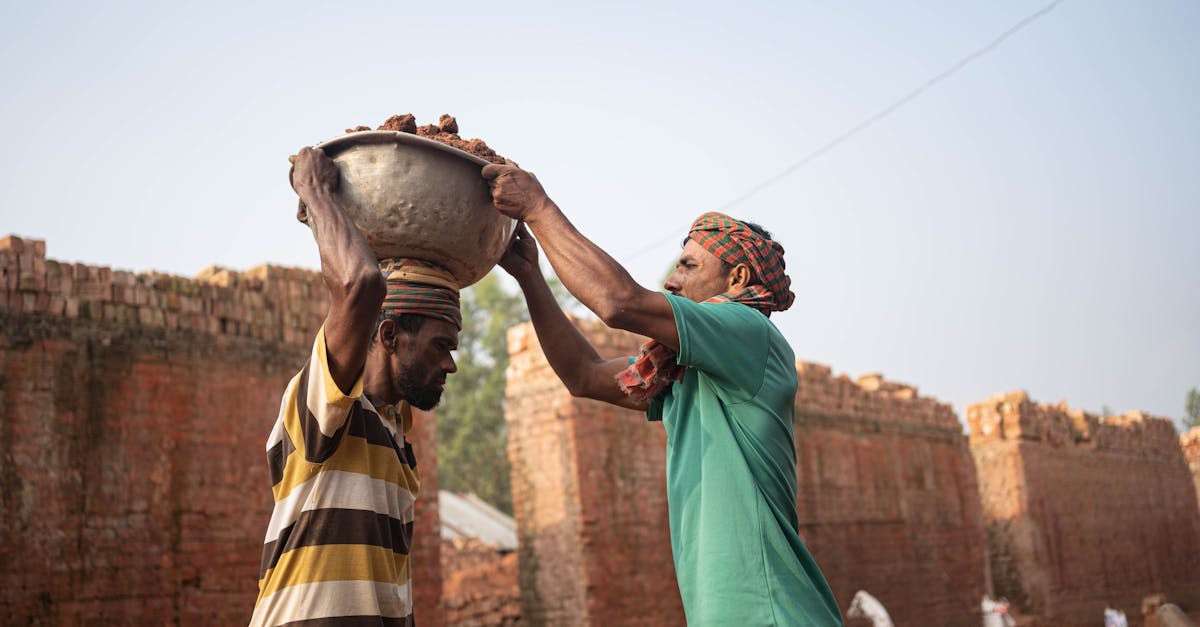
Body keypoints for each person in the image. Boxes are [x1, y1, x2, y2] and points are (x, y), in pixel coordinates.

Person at [484, 164, 843, 626]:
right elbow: (584, 375)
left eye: (689, 266)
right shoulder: (682, 372)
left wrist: (538, 208)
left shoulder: (749, 331)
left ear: (737, 279)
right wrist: (530, 276)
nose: (672, 280)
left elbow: (619, 302)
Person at [250, 147, 461, 627]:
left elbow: (392, 590)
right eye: (441, 346)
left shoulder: (397, 433)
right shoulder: (329, 406)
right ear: (389, 336)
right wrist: (316, 193)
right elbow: (363, 283)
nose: (450, 364)